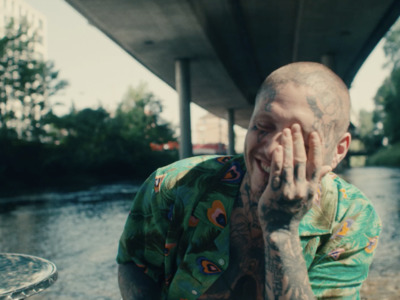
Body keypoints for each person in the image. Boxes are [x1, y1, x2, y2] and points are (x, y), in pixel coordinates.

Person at [116, 62, 381, 299]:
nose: (273, 151)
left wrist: (281, 228)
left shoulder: (352, 218)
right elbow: (135, 264)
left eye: (298, 140)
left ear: (338, 150)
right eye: (263, 128)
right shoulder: (172, 186)